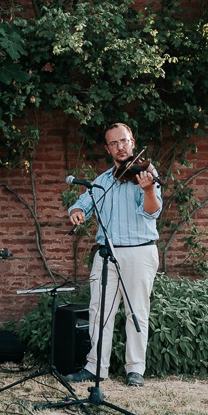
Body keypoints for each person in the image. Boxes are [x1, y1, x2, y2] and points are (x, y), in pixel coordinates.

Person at [66, 122, 162, 388]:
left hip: (139, 253)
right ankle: (96, 367)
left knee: (137, 312)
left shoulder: (146, 175)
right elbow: (81, 204)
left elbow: (153, 212)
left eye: (124, 141)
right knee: (99, 311)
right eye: (114, 143)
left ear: (133, 142)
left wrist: (149, 190)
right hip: (106, 254)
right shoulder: (101, 181)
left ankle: (135, 369)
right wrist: (76, 212)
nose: (120, 147)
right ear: (108, 149)